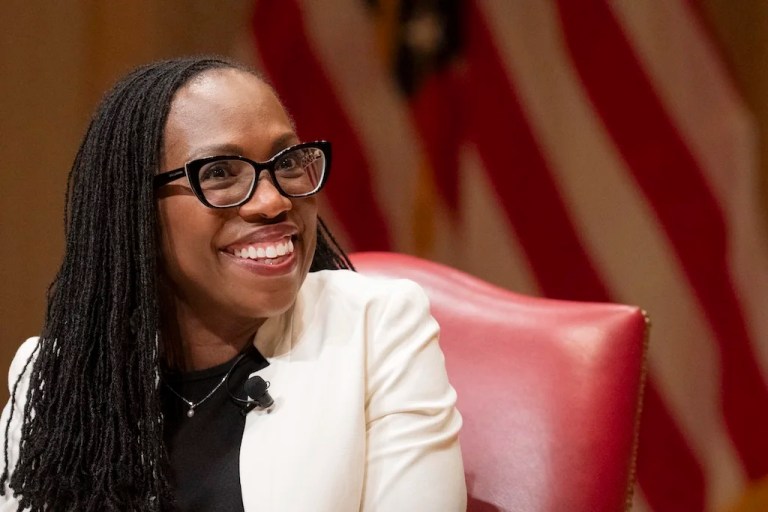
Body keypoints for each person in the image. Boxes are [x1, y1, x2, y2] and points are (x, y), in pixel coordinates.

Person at [0, 57, 465, 511]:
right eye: (220, 172)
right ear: (135, 209)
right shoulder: (58, 374)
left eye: (288, 162)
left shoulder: (376, 329)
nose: (273, 200)